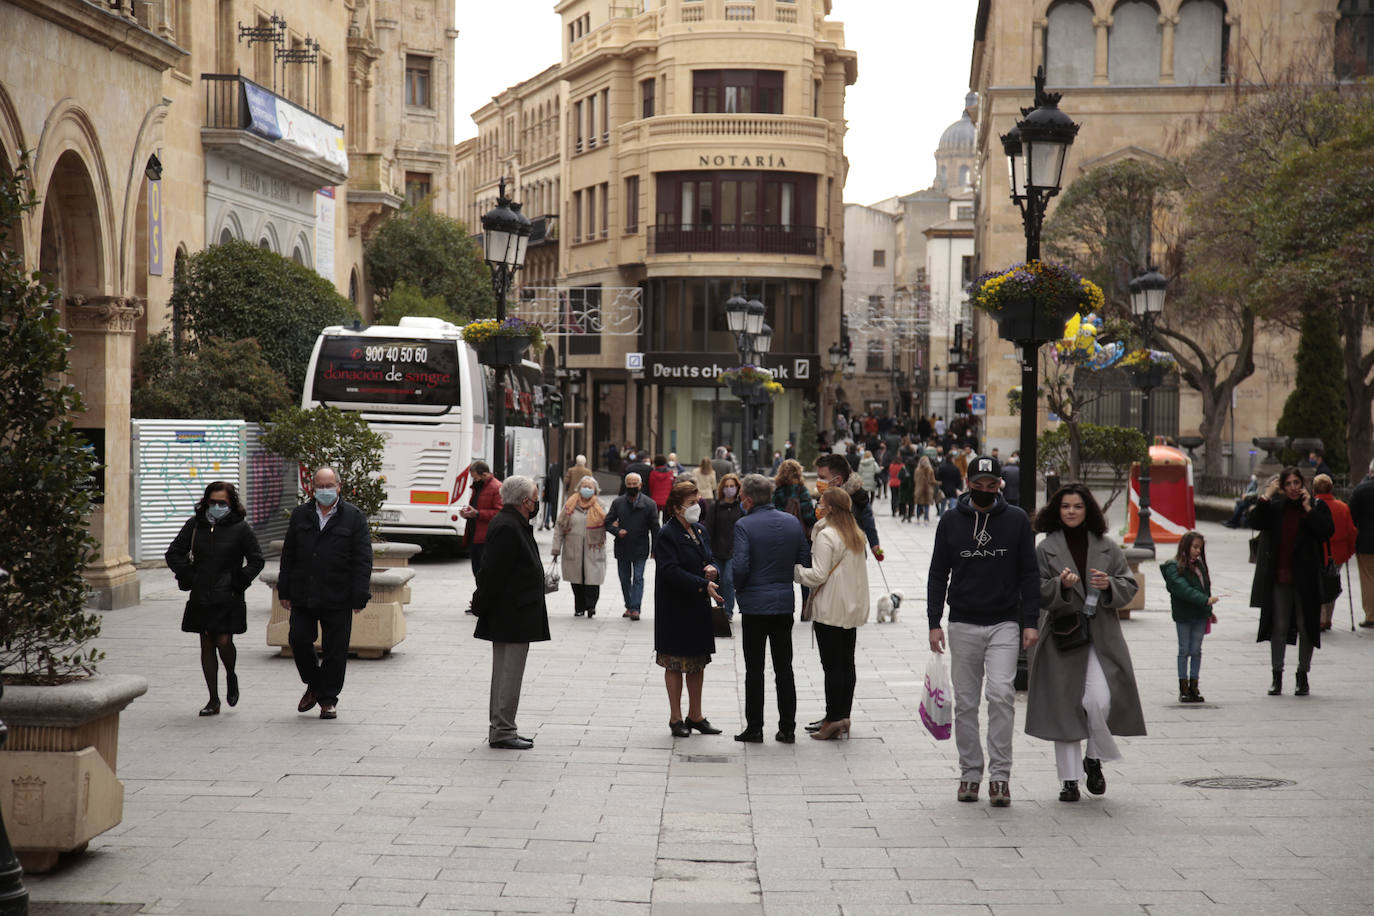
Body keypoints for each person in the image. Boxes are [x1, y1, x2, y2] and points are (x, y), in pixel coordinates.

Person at [927, 456, 1039, 807]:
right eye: (979, 485)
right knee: (965, 703)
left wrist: (1030, 621)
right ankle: (970, 773)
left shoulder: (1017, 520)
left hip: (1004, 621)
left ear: (1000, 485)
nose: (985, 491)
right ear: (968, 483)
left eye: (992, 485)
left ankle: (1000, 776)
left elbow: (1029, 573)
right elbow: (937, 572)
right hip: (962, 622)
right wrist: (933, 621)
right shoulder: (950, 520)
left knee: (1002, 693)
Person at [1025, 483, 1146, 803]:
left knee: (1099, 700)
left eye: (1077, 506)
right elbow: (1034, 590)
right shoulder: (1045, 548)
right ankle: (1068, 780)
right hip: (1062, 636)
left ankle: (1094, 757)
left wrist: (1109, 585)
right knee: (1064, 709)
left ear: (1087, 510)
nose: (1071, 511)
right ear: (1057, 510)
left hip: (1101, 636)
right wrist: (1060, 586)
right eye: (1065, 506)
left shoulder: (1107, 546)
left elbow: (1128, 585)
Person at [278, 467, 373, 721]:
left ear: (339, 486)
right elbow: (288, 555)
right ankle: (315, 684)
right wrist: (284, 589)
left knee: (335, 650)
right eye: (320, 486)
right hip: (304, 592)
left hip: (338, 594)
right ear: (312, 488)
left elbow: (363, 559)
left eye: (329, 485)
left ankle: (328, 699)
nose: (325, 490)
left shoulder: (353, 517)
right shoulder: (301, 515)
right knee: (298, 639)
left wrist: (359, 594)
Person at [166, 481, 265, 716]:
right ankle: (213, 699)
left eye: (222, 503)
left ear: (231, 503)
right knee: (207, 642)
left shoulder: (241, 528)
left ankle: (231, 674)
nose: (217, 507)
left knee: (223, 641)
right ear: (206, 502)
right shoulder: (195, 525)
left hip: (228, 595)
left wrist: (239, 581)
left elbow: (257, 559)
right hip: (201, 594)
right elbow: (173, 553)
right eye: (213, 502)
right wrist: (190, 575)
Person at [473, 476, 550, 749]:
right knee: (509, 674)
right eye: (535, 498)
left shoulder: (513, 523)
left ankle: (501, 727)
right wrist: (480, 603)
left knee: (505, 673)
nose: (537, 502)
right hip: (512, 614)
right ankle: (503, 730)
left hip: (514, 611)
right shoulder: (508, 526)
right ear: (525, 502)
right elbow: (492, 572)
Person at [732, 473, 810, 744]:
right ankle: (787, 728)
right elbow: (803, 558)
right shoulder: (791, 522)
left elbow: (739, 566)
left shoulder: (744, 525)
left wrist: (740, 588)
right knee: (784, 667)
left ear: (748, 499)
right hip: (783, 604)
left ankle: (755, 727)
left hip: (754, 606)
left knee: (754, 669)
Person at [1248, 467, 1335, 696]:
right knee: (1279, 626)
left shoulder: (1315, 506)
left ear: (1303, 484)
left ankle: (1302, 675)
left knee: (1306, 627)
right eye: (1288, 484)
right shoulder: (1276, 508)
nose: (1293, 488)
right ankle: (1276, 676)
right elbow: (1254, 521)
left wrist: (1308, 509)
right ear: (1282, 487)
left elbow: (1326, 531)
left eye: (1297, 482)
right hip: (1280, 577)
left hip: (1306, 579)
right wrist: (1266, 496)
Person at [795, 487, 870, 740]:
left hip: (831, 607)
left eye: (821, 503)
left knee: (832, 666)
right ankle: (843, 715)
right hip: (851, 606)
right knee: (847, 663)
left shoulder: (827, 535)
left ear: (830, 508)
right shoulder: (856, 533)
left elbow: (818, 575)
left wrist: (796, 572)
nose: (817, 506)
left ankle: (833, 719)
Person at [654, 480, 724, 737]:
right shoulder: (667, 534)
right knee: (674, 663)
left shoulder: (700, 530)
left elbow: (709, 558)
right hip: (675, 609)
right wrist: (701, 583)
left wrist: (713, 569)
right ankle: (675, 718)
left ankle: (696, 716)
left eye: (698, 501)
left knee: (697, 663)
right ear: (676, 508)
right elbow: (670, 570)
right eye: (692, 503)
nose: (697, 506)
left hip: (697, 607)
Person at [1160, 531, 1219, 703]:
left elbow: (1204, 589)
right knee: (1184, 650)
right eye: (1195, 547)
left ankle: (1194, 686)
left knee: (1196, 650)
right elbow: (1183, 589)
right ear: (1185, 546)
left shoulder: (1199, 566)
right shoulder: (1173, 566)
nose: (1198, 551)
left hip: (1200, 614)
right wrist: (1205, 601)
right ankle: (1183, 687)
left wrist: (1209, 610)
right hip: (1184, 615)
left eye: (1200, 548)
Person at [552, 475, 608, 618]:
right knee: (576, 580)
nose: (587, 489)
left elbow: (609, 522)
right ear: (579, 488)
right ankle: (579, 607)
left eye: (590, 487)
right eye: (584, 486)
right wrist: (556, 548)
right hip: (573, 548)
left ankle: (591, 606)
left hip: (594, 548)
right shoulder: (570, 505)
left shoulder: (600, 505)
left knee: (593, 579)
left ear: (595, 490)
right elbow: (559, 526)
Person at [606, 471, 658, 621]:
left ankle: (635, 608)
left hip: (641, 546)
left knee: (638, 578)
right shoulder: (618, 503)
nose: (632, 486)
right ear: (625, 485)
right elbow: (607, 522)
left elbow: (655, 528)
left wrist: (655, 549)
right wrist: (617, 531)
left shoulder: (649, 504)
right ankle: (629, 605)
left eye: (635, 484)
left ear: (640, 485)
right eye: (629, 484)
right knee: (624, 579)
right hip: (622, 546)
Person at [814, 454, 883, 560]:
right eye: (818, 477)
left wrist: (875, 546)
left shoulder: (858, 496)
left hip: (852, 554)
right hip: (826, 554)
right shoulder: (824, 496)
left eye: (822, 478)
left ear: (838, 480)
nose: (819, 482)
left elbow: (869, 523)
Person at [1313, 474, 1358, 631]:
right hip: (1338, 552)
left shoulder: (1312, 506)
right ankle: (1327, 618)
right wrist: (1349, 551)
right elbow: (1351, 531)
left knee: (1317, 583)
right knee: (1331, 582)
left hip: (1318, 551)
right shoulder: (1342, 507)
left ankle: (1320, 617)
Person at [461, 461, 503, 614]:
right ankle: (481, 601)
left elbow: (499, 512)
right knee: (477, 572)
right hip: (475, 536)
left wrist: (478, 513)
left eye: (475, 477)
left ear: (484, 474)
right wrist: (468, 513)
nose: (474, 480)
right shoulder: (478, 487)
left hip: (486, 538)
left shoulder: (496, 488)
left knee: (485, 573)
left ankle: (485, 603)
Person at [702, 474, 744, 620]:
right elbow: (708, 528)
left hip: (734, 550)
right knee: (717, 581)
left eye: (732, 486)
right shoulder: (716, 506)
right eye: (726, 486)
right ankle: (720, 606)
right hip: (716, 550)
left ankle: (728, 611)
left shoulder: (741, 507)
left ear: (737, 488)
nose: (729, 489)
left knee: (728, 580)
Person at [1350, 458, 1374, 627]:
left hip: (1366, 542)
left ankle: (1371, 615)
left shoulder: (1360, 490)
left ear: (1371, 472)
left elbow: (1351, 517)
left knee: (1368, 580)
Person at [772, 458, 816, 534]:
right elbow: (808, 516)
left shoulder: (777, 491)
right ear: (798, 473)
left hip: (780, 531)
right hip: (798, 532)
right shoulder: (801, 490)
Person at [648, 454, 676, 522]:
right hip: (667, 500)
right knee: (666, 521)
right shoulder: (670, 473)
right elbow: (672, 486)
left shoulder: (652, 473)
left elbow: (651, 486)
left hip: (655, 501)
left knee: (655, 520)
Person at [914, 455, 938, 525]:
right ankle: (926, 519)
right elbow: (932, 480)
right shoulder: (930, 470)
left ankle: (918, 518)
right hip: (928, 489)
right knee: (927, 505)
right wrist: (938, 483)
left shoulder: (917, 470)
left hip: (919, 489)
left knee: (919, 505)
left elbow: (915, 479)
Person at [542, 458, 562, 530]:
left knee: (548, 506)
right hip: (552, 492)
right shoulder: (556, 468)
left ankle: (547, 521)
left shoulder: (551, 468)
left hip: (549, 492)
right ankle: (548, 521)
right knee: (550, 506)